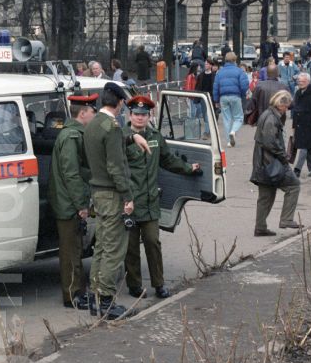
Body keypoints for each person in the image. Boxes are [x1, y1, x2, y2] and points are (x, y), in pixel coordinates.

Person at [123, 95, 201, 299]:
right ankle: (134, 285)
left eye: (144, 115)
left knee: (153, 243)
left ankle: (159, 284)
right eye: (136, 114)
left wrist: (188, 168)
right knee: (130, 248)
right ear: (129, 115)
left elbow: (168, 160)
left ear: (149, 116)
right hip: (128, 202)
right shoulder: (120, 137)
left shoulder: (155, 137)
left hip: (149, 203)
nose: (140, 118)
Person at [83, 83, 135, 320]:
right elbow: (116, 166)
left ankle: (95, 295)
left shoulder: (93, 124)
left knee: (102, 246)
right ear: (120, 103)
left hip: (98, 193)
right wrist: (127, 196)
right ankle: (106, 300)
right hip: (113, 194)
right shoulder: (112, 127)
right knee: (114, 248)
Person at [48, 93, 97, 310]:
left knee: (75, 247)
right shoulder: (71, 137)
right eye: (92, 112)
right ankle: (72, 294)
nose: (94, 115)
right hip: (68, 204)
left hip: (68, 202)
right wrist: (81, 205)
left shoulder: (73, 134)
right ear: (84, 113)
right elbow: (72, 174)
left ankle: (78, 291)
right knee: (70, 250)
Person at [251, 90, 301, 237]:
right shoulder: (272, 119)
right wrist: (283, 156)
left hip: (263, 163)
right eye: (286, 106)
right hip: (270, 162)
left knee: (266, 195)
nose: (287, 109)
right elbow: (270, 142)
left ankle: (260, 227)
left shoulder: (268, 114)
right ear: (280, 105)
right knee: (293, 185)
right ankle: (286, 219)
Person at [213, 51, 250, 147]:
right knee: (238, 117)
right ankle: (233, 131)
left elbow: (216, 86)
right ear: (235, 60)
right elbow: (244, 85)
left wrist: (216, 100)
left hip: (223, 97)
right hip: (235, 96)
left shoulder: (220, 72)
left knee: (226, 119)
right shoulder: (239, 71)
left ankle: (229, 142)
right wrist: (242, 95)